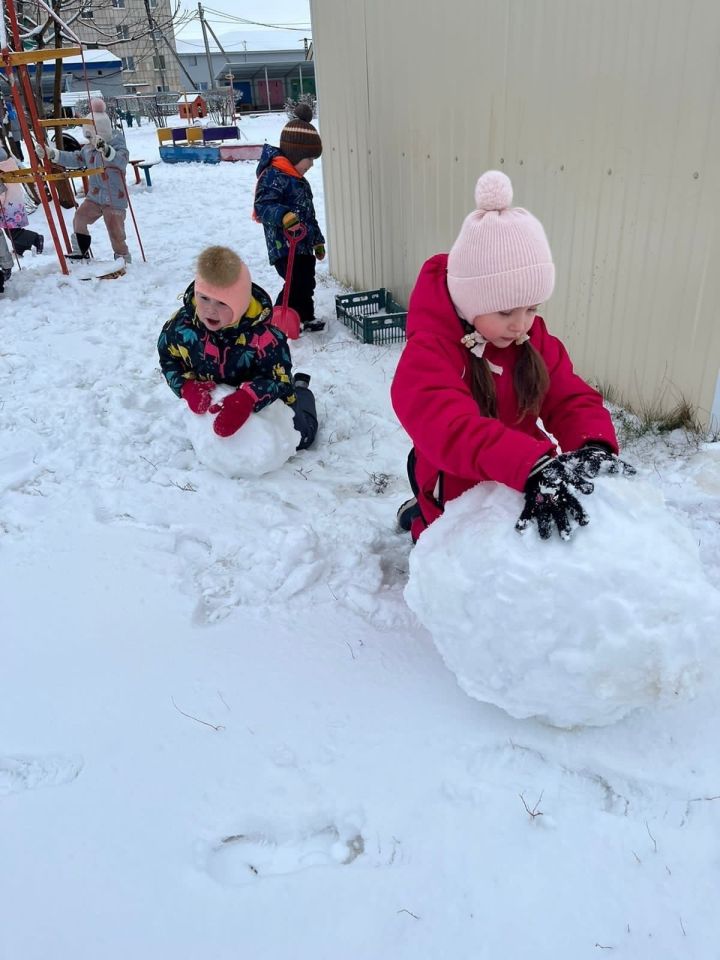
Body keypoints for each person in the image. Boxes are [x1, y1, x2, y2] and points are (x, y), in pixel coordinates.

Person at [391, 170, 635, 544]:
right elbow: (450, 428)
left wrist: (593, 445)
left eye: (532, 308)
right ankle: (421, 514)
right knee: (449, 550)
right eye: (505, 312)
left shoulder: (527, 337)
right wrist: (528, 463)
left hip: (527, 471)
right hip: (458, 480)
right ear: (470, 303)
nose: (520, 325)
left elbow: (569, 396)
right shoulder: (430, 351)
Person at [158, 245, 318, 450]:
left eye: (222, 303)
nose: (210, 309)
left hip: (262, 400)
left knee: (301, 438)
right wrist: (185, 386)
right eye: (204, 298)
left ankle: (303, 390)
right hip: (217, 398)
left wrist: (248, 398)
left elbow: (279, 380)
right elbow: (168, 357)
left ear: (240, 303)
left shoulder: (265, 337)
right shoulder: (181, 327)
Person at [253, 103, 326, 333]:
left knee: (307, 281)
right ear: (296, 154)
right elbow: (263, 206)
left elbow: (308, 215)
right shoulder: (275, 176)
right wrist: (283, 215)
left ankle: (305, 315)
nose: (312, 164)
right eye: (310, 159)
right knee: (295, 282)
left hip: (303, 244)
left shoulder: (298, 180)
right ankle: (277, 319)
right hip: (283, 245)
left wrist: (317, 240)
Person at [34, 97, 131, 265]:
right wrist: (52, 154)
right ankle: (80, 249)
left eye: (92, 137)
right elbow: (75, 158)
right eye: (88, 137)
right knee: (79, 218)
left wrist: (106, 150)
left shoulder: (118, 146)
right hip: (95, 196)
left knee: (115, 231)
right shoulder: (88, 149)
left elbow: (121, 161)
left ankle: (122, 256)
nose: (90, 142)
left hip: (114, 197)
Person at [0, 145, 44, 257]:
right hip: (13, 201)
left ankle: (36, 238)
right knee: (12, 229)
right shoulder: (8, 167)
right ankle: (22, 247)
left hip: (6, 204)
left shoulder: (1, 170)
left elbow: (1, 192)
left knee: (13, 232)